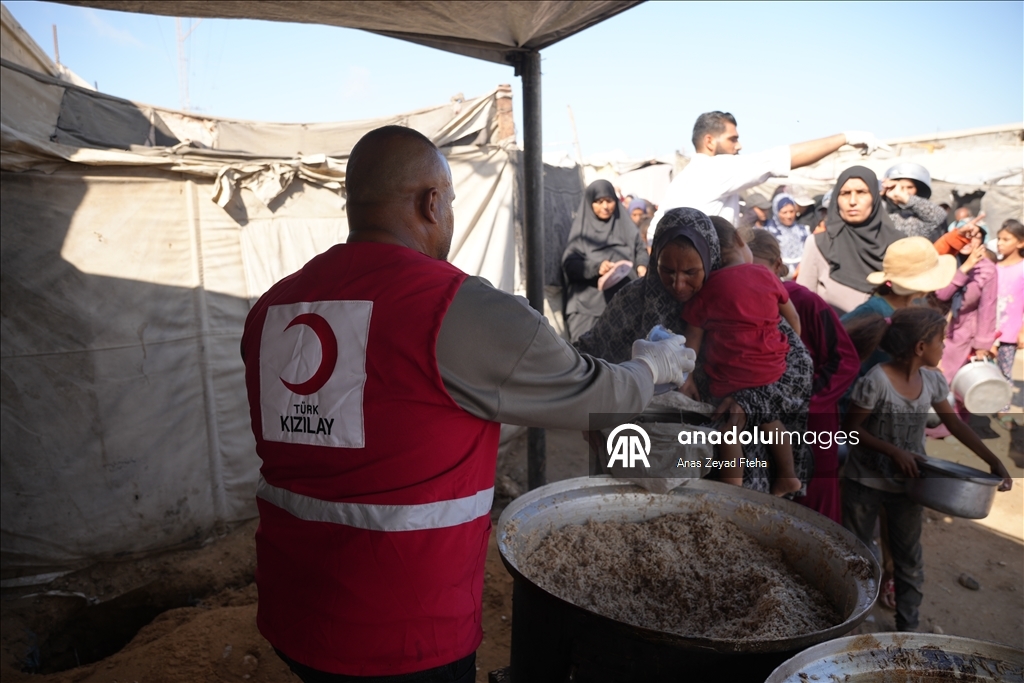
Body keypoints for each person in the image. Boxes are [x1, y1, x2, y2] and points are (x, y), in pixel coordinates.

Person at [240, 126, 695, 680]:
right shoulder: (454, 305)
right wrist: (656, 365)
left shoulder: (274, 306)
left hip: (296, 609)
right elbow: (597, 396)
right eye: (450, 201)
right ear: (432, 203)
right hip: (404, 631)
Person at [577, 207, 815, 495]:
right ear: (654, 260)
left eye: (691, 272)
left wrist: (750, 399)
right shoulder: (633, 301)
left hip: (733, 465)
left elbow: (799, 370)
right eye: (667, 270)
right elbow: (590, 356)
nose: (678, 284)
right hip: (645, 461)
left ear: (710, 258)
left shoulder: (740, 297)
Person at [841, 307, 1012, 632]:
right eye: (941, 341)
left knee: (908, 559)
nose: (945, 348)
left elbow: (956, 425)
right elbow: (848, 430)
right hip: (864, 482)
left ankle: (908, 629)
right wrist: (893, 451)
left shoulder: (932, 380)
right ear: (921, 347)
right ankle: (849, 620)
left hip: (909, 485)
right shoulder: (876, 381)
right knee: (857, 553)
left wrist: (992, 460)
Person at [679, 218, 804, 496]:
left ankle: (731, 490)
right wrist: (782, 350)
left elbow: (693, 342)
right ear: (739, 240)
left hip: (730, 375)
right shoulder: (767, 275)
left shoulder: (708, 289)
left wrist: (687, 376)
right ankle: (788, 475)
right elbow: (793, 319)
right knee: (771, 419)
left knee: (729, 430)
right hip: (771, 367)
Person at [744, 228, 860, 523]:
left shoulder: (804, 302)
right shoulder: (737, 306)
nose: (751, 281)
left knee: (815, 519)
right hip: (760, 432)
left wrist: (803, 401)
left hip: (812, 427)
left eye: (759, 271)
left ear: (777, 265)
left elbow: (845, 361)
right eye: (741, 271)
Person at [649, 111, 887, 229]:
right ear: (710, 141)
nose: (739, 146)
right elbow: (779, 159)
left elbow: (653, 232)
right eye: (733, 139)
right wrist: (845, 138)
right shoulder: (716, 168)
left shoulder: (682, 180)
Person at [796, 166, 904, 316]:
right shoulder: (818, 244)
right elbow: (803, 305)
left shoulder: (898, 244)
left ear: (874, 197)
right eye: (845, 193)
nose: (852, 201)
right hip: (832, 338)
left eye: (861, 192)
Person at [562, 179, 650, 341]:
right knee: (586, 361)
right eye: (599, 201)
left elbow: (640, 249)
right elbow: (570, 264)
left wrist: (642, 265)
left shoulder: (625, 225)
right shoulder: (581, 231)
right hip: (588, 309)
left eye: (609, 201)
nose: (605, 206)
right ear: (590, 203)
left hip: (625, 306)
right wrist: (596, 268)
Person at [932, 226, 997, 388]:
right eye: (966, 235)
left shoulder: (988, 270)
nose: (969, 240)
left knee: (953, 385)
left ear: (982, 241)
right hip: (934, 330)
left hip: (963, 334)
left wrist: (982, 345)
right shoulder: (944, 261)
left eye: (975, 236)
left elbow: (987, 308)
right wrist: (964, 268)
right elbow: (942, 295)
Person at [992, 219, 1024, 429]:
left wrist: (1022, 330)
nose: (1000, 243)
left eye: (1006, 239)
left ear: (1020, 242)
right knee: (980, 369)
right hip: (988, 330)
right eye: (999, 238)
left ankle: (1003, 409)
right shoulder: (993, 266)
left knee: (1005, 371)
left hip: (1010, 332)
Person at [882, 162, 948, 240]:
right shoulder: (883, 211)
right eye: (901, 187)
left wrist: (907, 199)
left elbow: (939, 215)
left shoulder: (923, 215)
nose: (905, 191)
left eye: (910, 187)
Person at [763, 192, 811, 277]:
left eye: (792, 211)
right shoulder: (768, 233)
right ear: (776, 212)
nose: (789, 216)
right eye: (784, 212)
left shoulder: (804, 231)